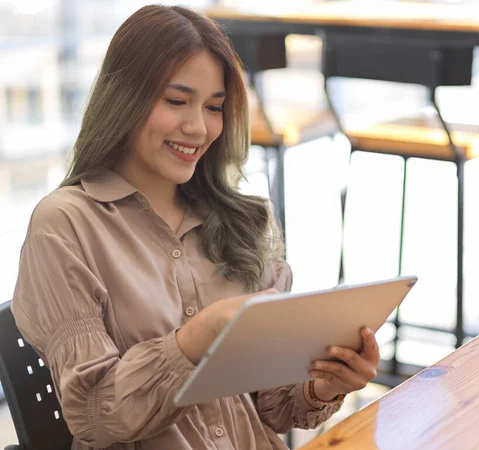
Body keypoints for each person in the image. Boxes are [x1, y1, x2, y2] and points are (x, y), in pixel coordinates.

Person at [11, 5, 380, 450]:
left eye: (214, 107)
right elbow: (94, 415)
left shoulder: (246, 220)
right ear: (124, 97)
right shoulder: (65, 225)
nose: (198, 127)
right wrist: (194, 340)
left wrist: (324, 383)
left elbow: (273, 405)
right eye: (176, 100)